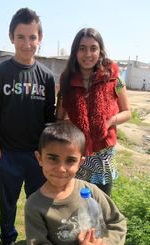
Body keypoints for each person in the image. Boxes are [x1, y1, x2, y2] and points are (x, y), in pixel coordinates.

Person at [0, 8, 56, 245]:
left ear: (40, 38)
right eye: (21, 37)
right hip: (9, 155)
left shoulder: (46, 76)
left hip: (37, 155)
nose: (27, 43)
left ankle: (37, 240)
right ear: (11, 37)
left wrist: (46, 156)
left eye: (32, 37)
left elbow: (50, 121)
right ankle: (7, 238)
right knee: (8, 202)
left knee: (38, 202)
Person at [56, 28, 131, 196]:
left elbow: (127, 112)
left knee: (100, 206)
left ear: (100, 51)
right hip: (76, 152)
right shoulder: (67, 79)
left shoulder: (113, 78)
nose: (87, 54)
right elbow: (59, 117)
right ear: (75, 51)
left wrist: (110, 121)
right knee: (75, 203)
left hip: (102, 156)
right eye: (82, 48)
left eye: (93, 48)